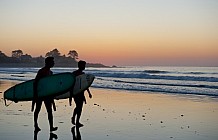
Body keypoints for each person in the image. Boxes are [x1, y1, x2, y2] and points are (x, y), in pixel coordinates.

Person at [32, 56, 58, 132]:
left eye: (53, 62)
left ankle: (51, 127)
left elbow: (51, 85)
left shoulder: (51, 72)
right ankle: (36, 125)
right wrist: (35, 95)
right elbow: (35, 83)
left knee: (49, 111)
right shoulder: (41, 71)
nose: (53, 63)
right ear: (47, 63)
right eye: (52, 62)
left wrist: (53, 95)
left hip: (47, 95)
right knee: (37, 109)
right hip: (40, 94)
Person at [69, 60, 92, 127]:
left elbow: (85, 85)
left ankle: (77, 121)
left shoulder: (83, 74)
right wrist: (71, 94)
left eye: (84, 65)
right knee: (78, 106)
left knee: (80, 107)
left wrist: (89, 93)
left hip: (81, 93)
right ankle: (74, 118)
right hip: (76, 92)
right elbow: (71, 83)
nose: (84, 67)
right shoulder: (74, 73)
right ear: (79, 66)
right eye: (83, 65)